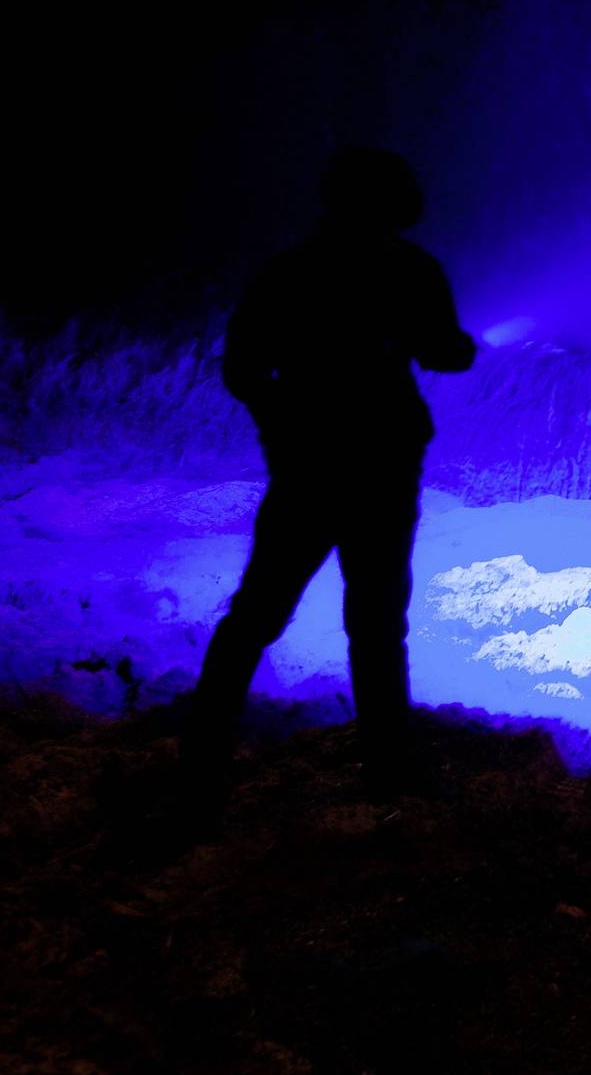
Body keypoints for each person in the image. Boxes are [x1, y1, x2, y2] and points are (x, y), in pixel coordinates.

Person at [183, 146, 476, 793]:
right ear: (397, 205)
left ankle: (199, 763)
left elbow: (241, 370)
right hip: (383, 465)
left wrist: (281, 423)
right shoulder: (411, 270)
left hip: (306, 467)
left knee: (255, 615)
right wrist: (449, 345)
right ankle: (387, 774)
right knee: (376, 625)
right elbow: (447, 354)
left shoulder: (289, 272)